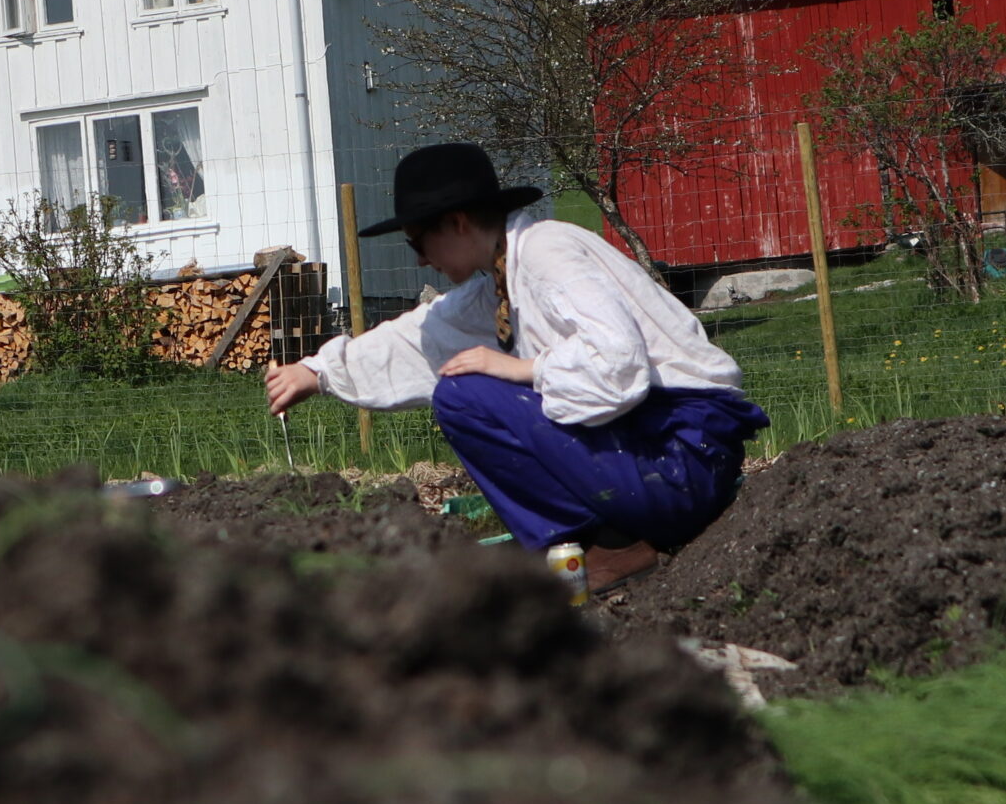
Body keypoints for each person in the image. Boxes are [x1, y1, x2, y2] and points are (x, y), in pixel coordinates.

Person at [267, 143, 768, 595]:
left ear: (459, 222)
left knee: (463, 396)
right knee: (466, 389)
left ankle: (607, 547)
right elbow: (424, 334)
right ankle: (586, 547)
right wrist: (319, 371)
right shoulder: (504, 277)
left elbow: (617, 359)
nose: (421, 261)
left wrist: (521, 369)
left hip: (681, 458)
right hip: (657, 460)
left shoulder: (548, 252)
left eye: (419, 242)